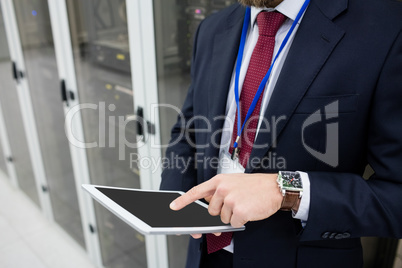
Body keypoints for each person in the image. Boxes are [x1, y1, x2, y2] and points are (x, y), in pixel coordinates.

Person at [160, 0, 402, 267]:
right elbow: (189, 128)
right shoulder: (212, 28)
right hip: (205, 254)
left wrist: (285, 190)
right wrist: (173, 194)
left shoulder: (387, 30)